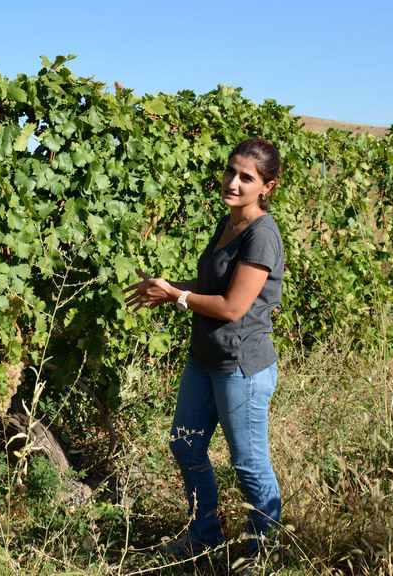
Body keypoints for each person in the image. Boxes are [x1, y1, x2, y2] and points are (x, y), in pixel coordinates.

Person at [123, 138, 284, 565]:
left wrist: (176, 296)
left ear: (267, 186)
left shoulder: (262, 236)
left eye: (246, 178)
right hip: (205, 359)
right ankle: (205, 537)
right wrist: (166, 288)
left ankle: (260, 557)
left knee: (248, 465)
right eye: (231, 171)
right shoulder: (229, 223)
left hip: (239, 368)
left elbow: (232, 307)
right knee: (186, 445)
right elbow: (213, 289)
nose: (233, 182)